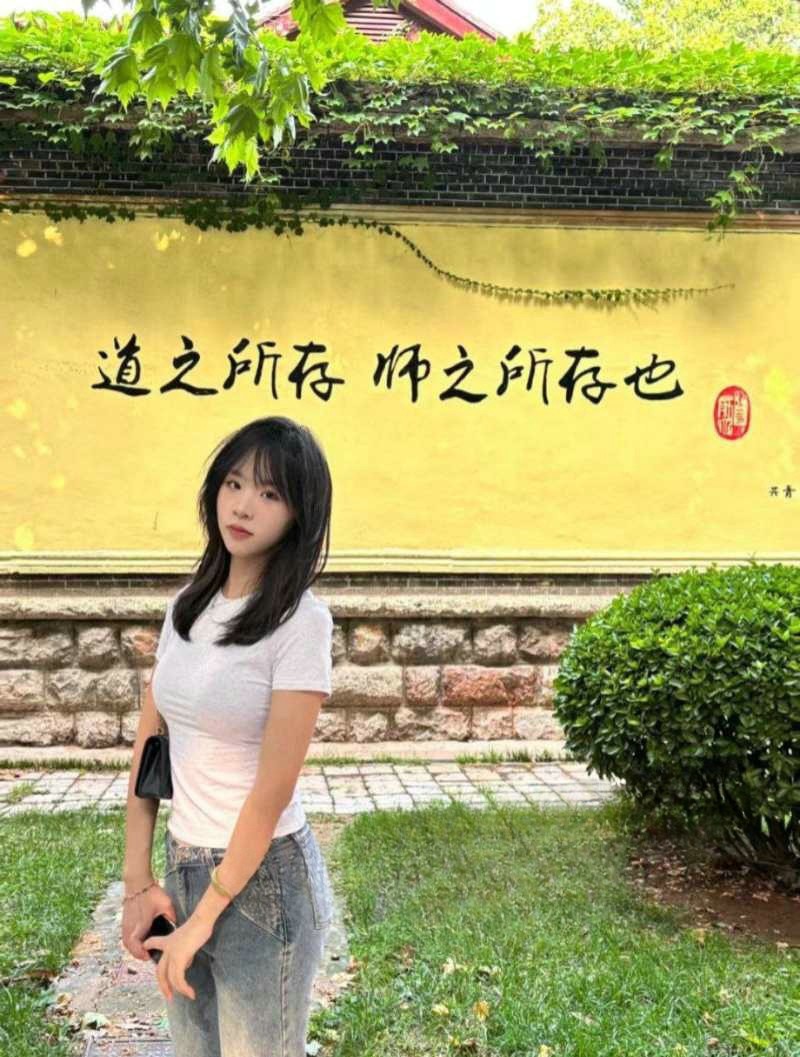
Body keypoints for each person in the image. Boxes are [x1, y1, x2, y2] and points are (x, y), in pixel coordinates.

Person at [120, 415, 336, 1057]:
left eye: (270, 494)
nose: (243, 506)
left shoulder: (301, 622)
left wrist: (205, 918)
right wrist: (138, 882)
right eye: (235, 483)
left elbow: (271, 794)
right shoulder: (187, 606)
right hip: (184, 867)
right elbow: (150, 746)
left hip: (264, 885)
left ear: (298, 515)